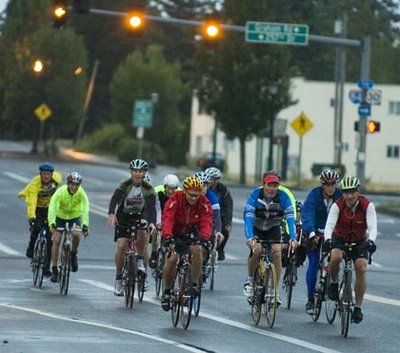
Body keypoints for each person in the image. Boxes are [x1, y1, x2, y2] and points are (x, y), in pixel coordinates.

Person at [323, 176, 377, 324]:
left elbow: (372, 227)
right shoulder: (337, 205)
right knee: (335, 258)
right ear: (343, 193)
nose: (350, 196)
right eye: (346, 192)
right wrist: (328, 239)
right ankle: (333, 283)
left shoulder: (367, 205)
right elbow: (329, 225)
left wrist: (371, 241)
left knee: (361, 267)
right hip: (339, 238)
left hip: (359, 240)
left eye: (353, 192)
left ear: (358, 191)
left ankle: (358, 308)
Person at [160, 176, 213, 311]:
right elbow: (168, 219)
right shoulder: (174, 199)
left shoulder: (204, 203)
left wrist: (206, 238)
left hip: (192, 232)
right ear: (184, 190)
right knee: (172, 258)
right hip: (175, 232)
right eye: (191, 195)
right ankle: (166, 291)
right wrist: (167, 236)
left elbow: (207, 221)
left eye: (197, 195)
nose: (194, 198)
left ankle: (194, 284)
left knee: (198, 250)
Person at [243, 171, 297, 305]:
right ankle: (250, 280)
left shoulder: (284, 197)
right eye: (269, 185)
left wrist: (293, 237)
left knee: (277, 252)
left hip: (273, 227)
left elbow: (290, 219)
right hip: (256, 227)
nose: (272, 189)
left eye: (275, 185)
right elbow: (248, 218)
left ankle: (273, 290)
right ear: (263, 184)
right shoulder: (254, 195)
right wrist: (250, 237)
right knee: (257, 250)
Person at [108, 159, 157, 296]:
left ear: (144, 173)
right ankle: (118, 279)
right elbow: (115, 199)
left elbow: (151, 207)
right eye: (135, 171)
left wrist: (150, 221)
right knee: (122, 245)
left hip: (140, 214)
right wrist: (111, 213)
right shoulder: (124, 184)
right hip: (123, 215)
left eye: (140, 171)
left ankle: (140, 260)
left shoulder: (148, 188)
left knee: (142, 232)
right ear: (131, 172)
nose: (137, 174)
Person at [301, 168, 342, 314]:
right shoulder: (314, 195)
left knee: (335, 259)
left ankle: (333, 286)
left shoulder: (340, 195)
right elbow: (307, 214)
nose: (330, 187)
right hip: (316, 233)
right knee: (313, 263)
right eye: (327, 184)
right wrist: (311, 233)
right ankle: (311, 299)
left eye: (333, 184)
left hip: (335, 234)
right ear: (322, 185)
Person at [48, 172, 90, 283]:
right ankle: (54, 269)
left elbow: (85, 209)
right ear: (68, 183)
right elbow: (52, 207)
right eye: (71, 184)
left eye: (76, 185)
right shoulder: (60, 192)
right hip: (60, 216)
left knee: (76, 234)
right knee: (56, 240)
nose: (74, 187)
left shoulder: (81, 193)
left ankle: (73, 254)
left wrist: (85, 225)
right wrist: (52, 223)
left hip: (74, 217)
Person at [18, 162, 62, 266]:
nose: (46, 176)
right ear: (40, 174)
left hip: (50, 209)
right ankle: (31, 248)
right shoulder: (35, 184)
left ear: (51, 175)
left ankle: (47, 267)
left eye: (48, 174)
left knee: (49, 239)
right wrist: (32, 217)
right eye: (44, 174)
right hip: (37, 208)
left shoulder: (56, 180)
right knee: (36, 228)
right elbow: (32, 202)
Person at [148, 174, 181, 269]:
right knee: (155, 231)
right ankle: (154, 253)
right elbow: (153, 208)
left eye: (173, 189)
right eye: (168, 188)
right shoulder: (157, 191)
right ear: (165, 186)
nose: (170, 191)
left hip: (171, 216)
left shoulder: (180, 193)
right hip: (159, 213)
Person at [205, 167, 233, 261]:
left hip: (219, 215)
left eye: (212, 178)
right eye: (208, 177)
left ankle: (220, 249)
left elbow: (228, 206)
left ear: (216, 180)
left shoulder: (222, 189)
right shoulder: (203, 186)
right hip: (205, 214)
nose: (209, 180)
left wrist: (228, 222)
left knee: (225, 230)